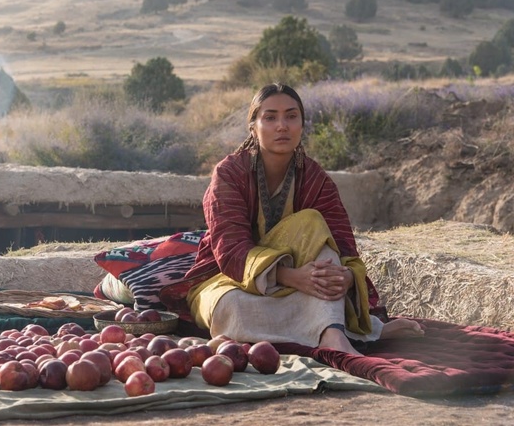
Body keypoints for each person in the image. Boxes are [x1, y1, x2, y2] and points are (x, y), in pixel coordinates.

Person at [160, 83, 423, 355]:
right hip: (228, 280)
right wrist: (289, 276)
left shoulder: (315, 179)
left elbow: (343, 249)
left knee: (311, 222)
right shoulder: (229, 174)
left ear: (302, 124)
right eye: (270, 117)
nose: (282, 126)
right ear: (253, 127)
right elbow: (231, 252)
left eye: (291, 116)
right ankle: (355, 331)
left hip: (305, 286)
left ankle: (333, 335)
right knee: (231, 309)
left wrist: (344, 276)